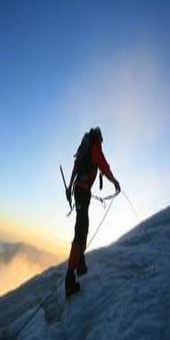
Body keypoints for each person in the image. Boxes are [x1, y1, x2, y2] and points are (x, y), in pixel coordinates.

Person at [64, 127, 121, 297]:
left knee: (84, 227)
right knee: (81, 230)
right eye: (102, 139)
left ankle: (80, 264)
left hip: (79, 191)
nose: (102, 142)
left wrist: (69, 186)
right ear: (99, 138)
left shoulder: (85, 148)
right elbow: (104, 166)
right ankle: (69, 278)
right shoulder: (94, 148)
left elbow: (75, 167)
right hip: (83, 192)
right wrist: (115, 181)